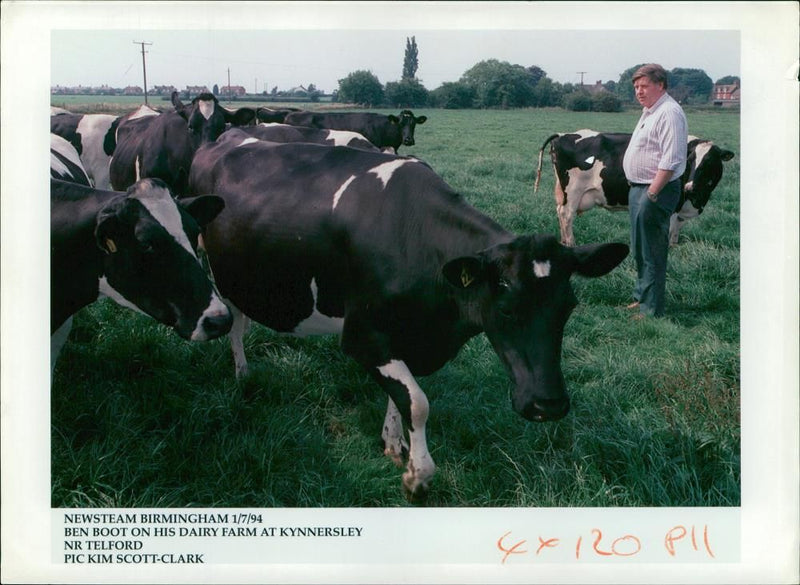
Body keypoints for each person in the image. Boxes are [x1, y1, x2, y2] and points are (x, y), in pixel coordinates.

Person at [622, 63, 688, 319]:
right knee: (640, 247)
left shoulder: (669, 112)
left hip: (655, 190)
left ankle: (651, 309)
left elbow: (671, 160)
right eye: (636, 87)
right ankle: (641, 297)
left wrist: (652, 193)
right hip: (640, 188)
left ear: (660, 85)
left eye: (644, 86)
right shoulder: (650, 110)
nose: (639, 91)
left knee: (652, 250)